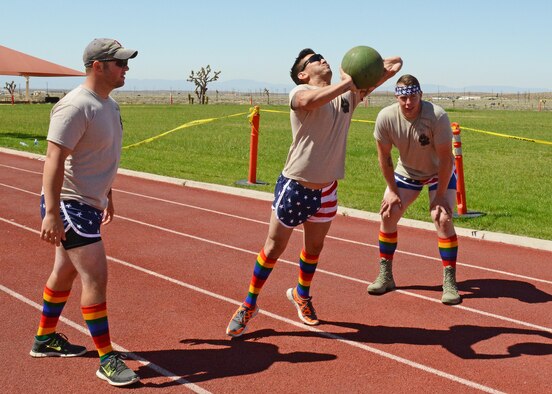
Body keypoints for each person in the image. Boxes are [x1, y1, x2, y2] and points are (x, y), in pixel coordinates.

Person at [226, 49, 403, 337]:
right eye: (314, 59)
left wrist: (368, 68)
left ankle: (301, 295)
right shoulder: (300, 91)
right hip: (296, 186)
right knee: (273, 249)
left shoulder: (349, 94)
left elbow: (394, 64)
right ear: (302, 73)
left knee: (313, 250)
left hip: (327, 189)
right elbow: (311, 101)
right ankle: (249, 304)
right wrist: (350, 83)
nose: (323, 59)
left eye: (323, 56)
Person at [30, 38, 140, 386]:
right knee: (96, 277)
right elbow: (54, 159)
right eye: (119, 63)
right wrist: (50, 213)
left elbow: (98, 155)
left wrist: (108, 193)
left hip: (89, 204)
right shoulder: (74, 106)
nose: (126, 69)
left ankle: (44, 339)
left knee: (65, 272)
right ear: (98, 66)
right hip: (69, 204)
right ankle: (106, 359)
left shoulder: (109, 105)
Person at [367, 74, 461, 305]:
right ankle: (386, 275)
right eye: (403, 99)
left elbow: (447, 160)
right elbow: (385, 157)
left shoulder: (437, 116)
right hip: (407, 171)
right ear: (396, 98)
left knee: (442, 218)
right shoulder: (385, 118)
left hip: (439, 171)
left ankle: (449, 281)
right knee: (387, 214)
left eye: (413, 97)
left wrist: (439, 197)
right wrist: (391, 189)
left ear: (420, 95)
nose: (408, 104)